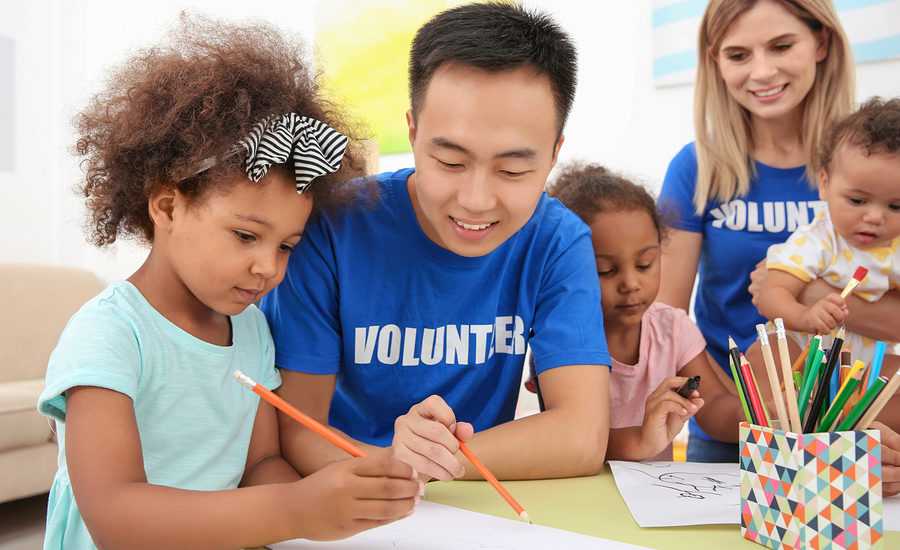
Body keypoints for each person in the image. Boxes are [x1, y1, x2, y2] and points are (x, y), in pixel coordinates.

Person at [37, 16, 423, 550]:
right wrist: (292, 511)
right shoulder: (109, 335)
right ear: (167, 204)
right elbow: (114, 516)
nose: (269, 267)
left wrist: (329, 505)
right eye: (245, 236)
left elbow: (262, 464)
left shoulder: (251, 333)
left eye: (287, 245)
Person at [262, 2, 610, 482]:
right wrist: (392, 463)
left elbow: (581, 437)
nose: (475, 200)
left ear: (553, 156)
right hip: (346, 494)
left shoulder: (558, 241)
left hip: (479, 509)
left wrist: (428, 461)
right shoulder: (334, 226)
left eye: (512, 170)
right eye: (449, 162)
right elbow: (298, 430)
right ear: (413, 131)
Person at [657, 0, 856, 462]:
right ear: (715, 61)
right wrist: (724, 406)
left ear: (821, 42)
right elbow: (665, 314)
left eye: (781, 46)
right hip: (733, 421)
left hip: (851, 421)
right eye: (739, 55)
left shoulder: (868, 164)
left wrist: (803, 294)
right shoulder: (695, 168)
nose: (762, 72)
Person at [543, 163, 744, 461]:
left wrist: (759, 418)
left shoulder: (672, 327)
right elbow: (569, 438)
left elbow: (713, 406)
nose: (631, 284)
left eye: (645, 264)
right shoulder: (561, 338)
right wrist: (641, 437)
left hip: (657, 498)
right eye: (606, 270)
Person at [756, 97, 900, 427]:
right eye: (857, 200)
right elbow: (771, 295)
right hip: (806, 355)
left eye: (896, 207)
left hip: (866, 365)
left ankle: (847, 432)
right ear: (825, 184)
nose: (874, 217)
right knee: (765, 358)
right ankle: (794, 427)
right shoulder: (817, 240)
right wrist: (805, 315)